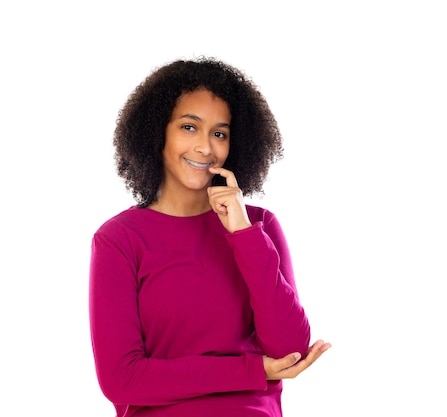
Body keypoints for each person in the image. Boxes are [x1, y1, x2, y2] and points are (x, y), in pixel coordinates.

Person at [89, 56, 331, 417]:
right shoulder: (119, 240)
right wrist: (251, 370)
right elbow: (122, 379)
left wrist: (243, 233)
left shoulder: (258, 227)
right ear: (158, 132)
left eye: (219, 133)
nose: (205, 147)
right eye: (189, 127)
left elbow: (290, 349)